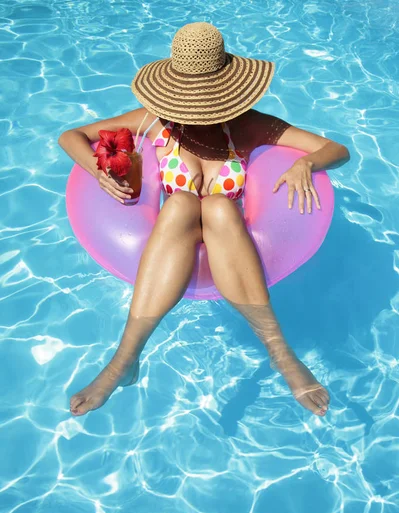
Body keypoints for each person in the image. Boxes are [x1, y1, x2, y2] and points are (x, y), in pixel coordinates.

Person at [58, 22, 350, 418]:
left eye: (205, 102)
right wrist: (98, 174)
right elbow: (71, 136)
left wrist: (307, 164)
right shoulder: (154, 121)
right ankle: (122, 362)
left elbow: (338, 149)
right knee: (179, 203)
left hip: (228, 235)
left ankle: (281, 354)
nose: (194, 113)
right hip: (173, 235)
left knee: (217, 206)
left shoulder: (248, 125)